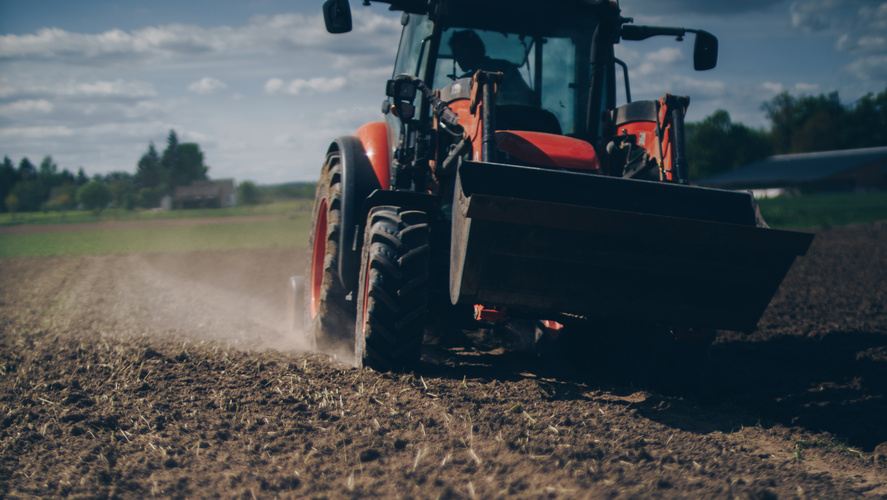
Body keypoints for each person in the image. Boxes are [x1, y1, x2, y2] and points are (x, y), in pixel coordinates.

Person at [448, 30, 533, 105]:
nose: (457, 59)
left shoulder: (503, 69)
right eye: (455, 55)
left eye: (460, 52)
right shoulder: (464, 81)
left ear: (474, 49)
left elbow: (524, 100)